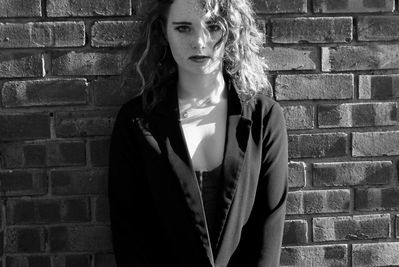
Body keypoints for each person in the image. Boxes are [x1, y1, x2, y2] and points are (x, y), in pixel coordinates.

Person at [108, 0, 288, 266]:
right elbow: (130, 236)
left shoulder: (265, 118)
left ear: (233, 30)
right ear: (163, 32)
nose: (200, 41)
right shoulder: (137, 122)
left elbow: (266, 236)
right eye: (183, 28)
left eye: (213, 26)